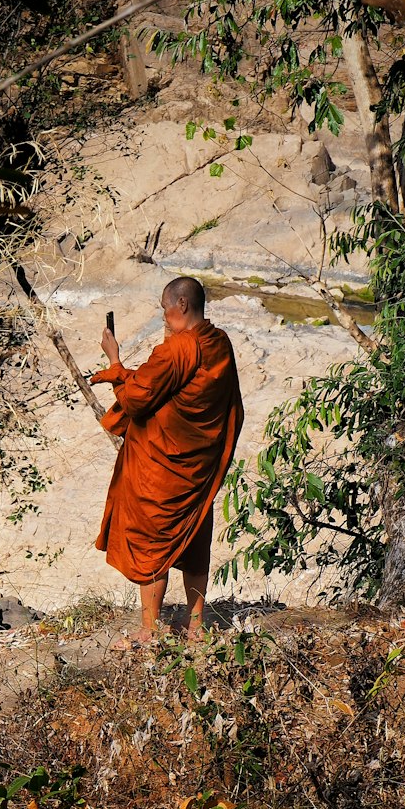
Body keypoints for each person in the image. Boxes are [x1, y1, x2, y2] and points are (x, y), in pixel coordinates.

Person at [90, 276, 244, 645]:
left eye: (165, 308)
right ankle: (195, 627)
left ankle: (150, 628)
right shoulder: (219, 343)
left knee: (152, 541)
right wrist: (124, 374)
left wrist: (114, 361)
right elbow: (218, 402)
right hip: (197, 468)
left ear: (182, 305)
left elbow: (138, 399)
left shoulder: (177, 349)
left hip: (160, 469)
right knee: (194, 539)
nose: (163, 316)